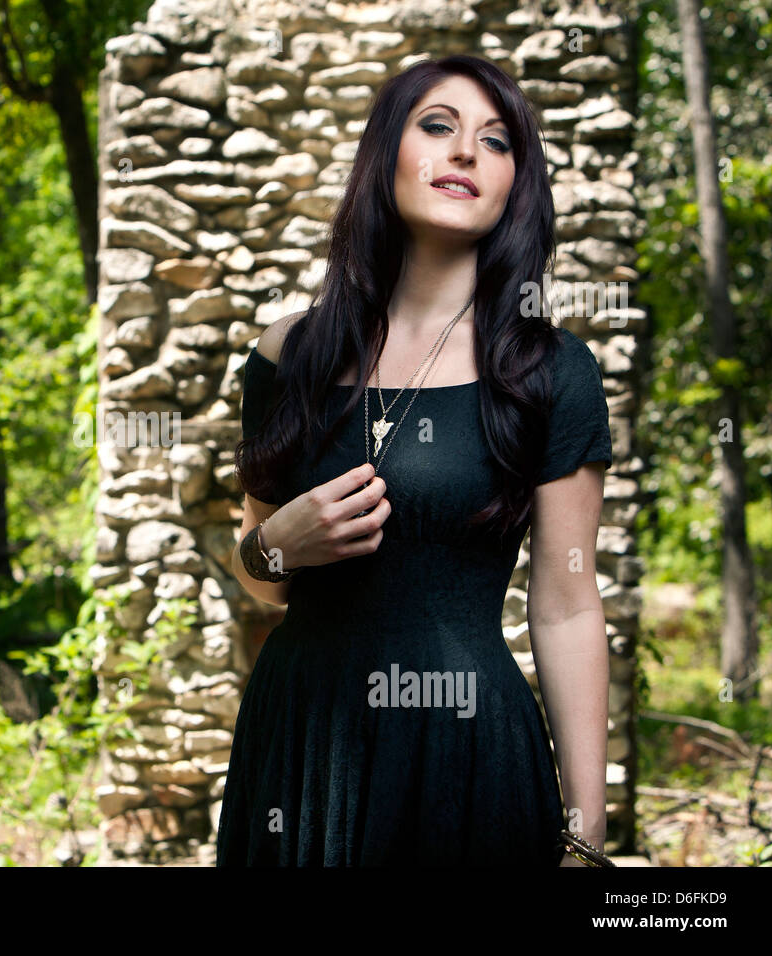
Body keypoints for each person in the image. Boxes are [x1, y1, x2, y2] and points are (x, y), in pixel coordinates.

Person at [216, 54, 613, 866]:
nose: (465, 152)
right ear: (385, 154)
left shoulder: (551, 372)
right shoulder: (285, 355)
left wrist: (585, 824)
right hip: (303, 745)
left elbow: (568, 602)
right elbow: (258, 574)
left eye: (496, 141)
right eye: (438, 126)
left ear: (514, 186)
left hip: (469, 753)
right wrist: (280, 540)